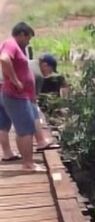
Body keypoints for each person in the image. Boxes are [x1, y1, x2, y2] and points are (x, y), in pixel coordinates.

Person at [0, 22, 43, 171]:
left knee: (26, 128)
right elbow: (4, 59)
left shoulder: (16, 47)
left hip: (21, 96)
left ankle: (28, 162)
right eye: (28, 38)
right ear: (22, 34)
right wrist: (14, 80)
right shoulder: (11, 44)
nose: (28, 42)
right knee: (25, 130)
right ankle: (28, 164)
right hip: (15, 95)